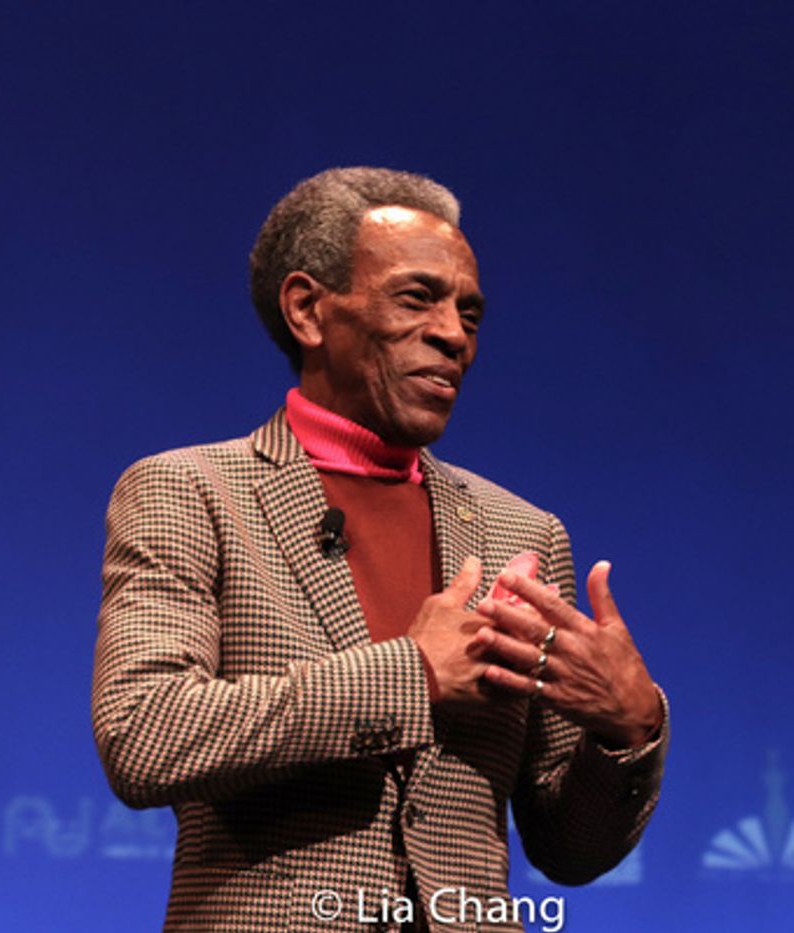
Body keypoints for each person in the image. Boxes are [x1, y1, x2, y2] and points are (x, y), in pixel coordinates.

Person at [91, 167, 669, 932]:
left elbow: (569, 848)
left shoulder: (522, 533)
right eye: (417, 297)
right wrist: (414, 671)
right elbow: (146, 733)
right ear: (307, 309)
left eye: (470, 313)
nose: (455, 335)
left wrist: (628, 730)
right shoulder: (191, 492)